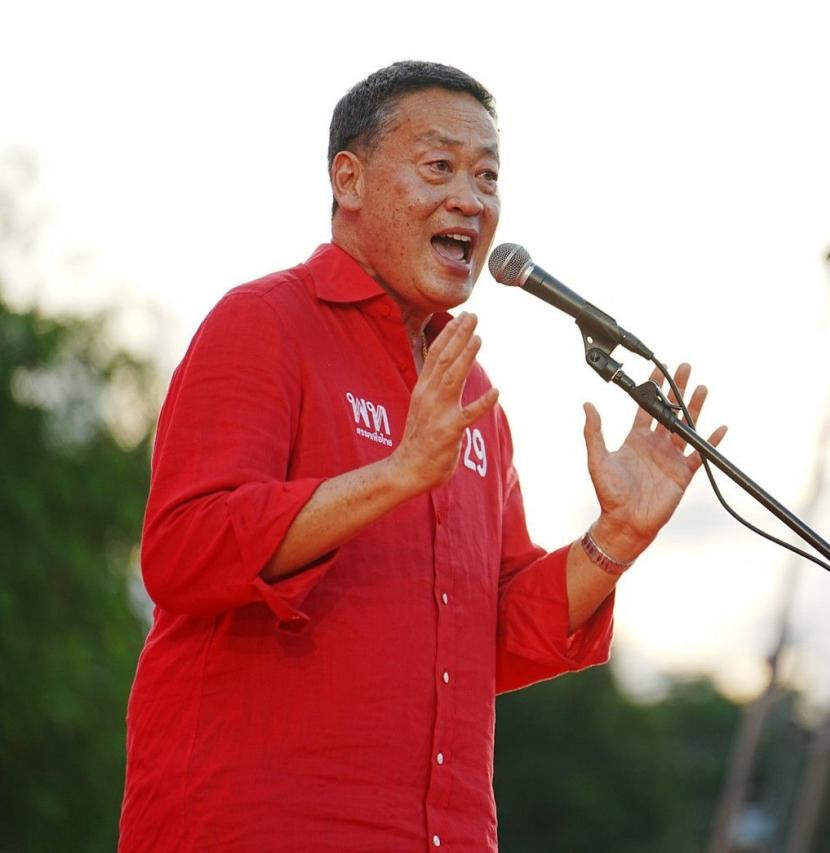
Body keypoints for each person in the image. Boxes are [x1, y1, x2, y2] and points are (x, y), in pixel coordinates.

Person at [118, 61, 726, 852]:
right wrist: (397, 473)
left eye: (488, 177)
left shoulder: (471, 395)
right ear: (350, 179)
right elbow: (183, 551)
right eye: (440, 166)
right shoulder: (264, 322)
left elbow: (488, 634)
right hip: (258, 822)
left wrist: (617, 537)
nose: (471, 199)